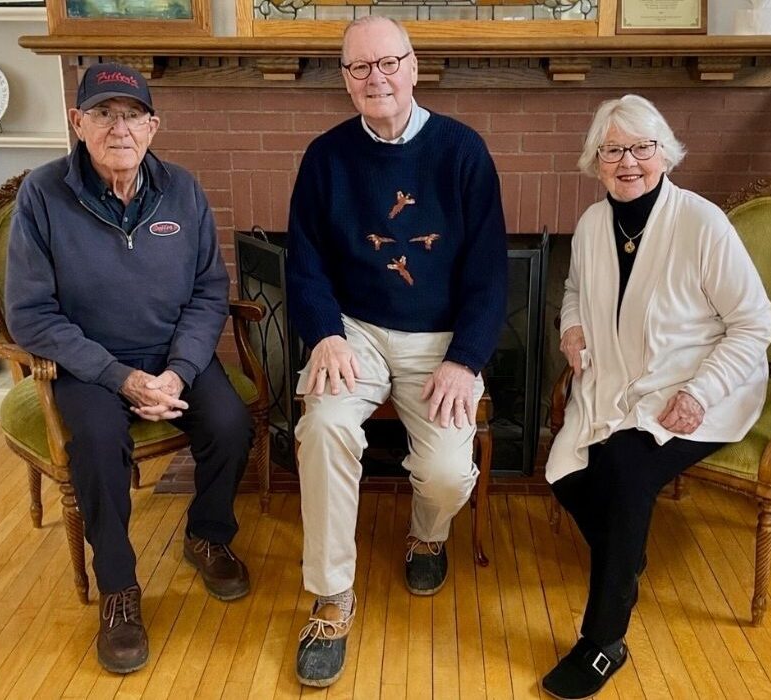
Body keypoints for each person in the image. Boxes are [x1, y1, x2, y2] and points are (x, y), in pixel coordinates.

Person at [5, 63, 253, 675]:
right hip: (89, 365)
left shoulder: (184, 191)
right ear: (77, 122)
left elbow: (206, 291)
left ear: (153, 126)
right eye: (104, 114)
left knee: (229, 423)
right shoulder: (42, 195)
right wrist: (120, 377)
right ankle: (118, 588)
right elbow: (30, 315)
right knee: (94, 439)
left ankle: (207, 535)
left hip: (172, 357)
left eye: (133, 115)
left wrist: (178, 370)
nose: (120, 128)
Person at [286, 16, 507, 688]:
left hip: (439, 340)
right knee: (322, 425)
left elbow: (490, 271)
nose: (375, 78)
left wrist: (466, 360)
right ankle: (330, 596)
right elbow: (303, 259)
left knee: (446, 472)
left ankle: (427, 534)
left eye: (388, 63)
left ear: (415, 68)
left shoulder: (463, 152)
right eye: (360, 68)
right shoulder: (326, 157)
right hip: (352, 330)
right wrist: (323, 331)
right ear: (345, 80)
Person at [543, 94, 771, 699]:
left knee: (623, 466)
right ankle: (627, 556)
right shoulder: (594, 225)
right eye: (613, 150)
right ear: (596, 161)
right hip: (618, 382)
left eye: (641, 148)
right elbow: (572, 290)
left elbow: (753, 323)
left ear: (664, 153)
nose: (628, 162)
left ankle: (603, 640)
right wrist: (572, 327)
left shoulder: (702, 223)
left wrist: (701, 392)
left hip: (701, 388)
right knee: (564, 470)